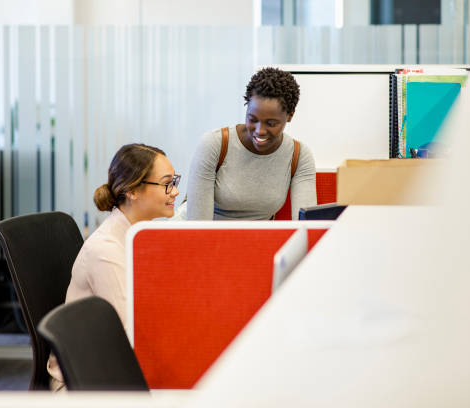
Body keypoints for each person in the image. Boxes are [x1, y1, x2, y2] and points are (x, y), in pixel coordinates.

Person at [47, 143, 180, 391]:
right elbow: (129, 336)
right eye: (166, 183)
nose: (174, 192)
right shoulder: (106, 250)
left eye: (174, 182)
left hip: (112, 367)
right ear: (133, 191)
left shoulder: (139, 235)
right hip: (84, 381)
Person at [186, 67, 316, 220]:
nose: (259, 131)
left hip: (259, 240)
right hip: (212, 238)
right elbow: (199, 226)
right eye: (252, 119)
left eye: (271, 123)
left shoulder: (299, 155)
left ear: (289, 116)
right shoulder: (214, 144)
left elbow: (306, 225)